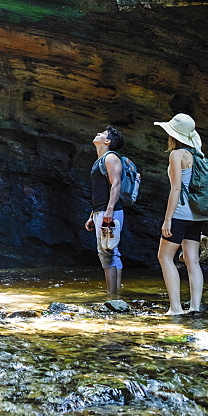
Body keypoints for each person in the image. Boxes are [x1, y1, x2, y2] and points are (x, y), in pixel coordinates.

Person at [153, 113, 208, 315]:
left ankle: (175, 308)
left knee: (164, 257)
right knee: (192, 260)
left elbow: (176, 189)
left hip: (181, 214)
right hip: (197, 215)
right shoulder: (197, 154)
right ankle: (194, 308)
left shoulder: (176, 155)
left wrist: (167, 219)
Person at [84, 126, 124, 296]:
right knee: (112, 252)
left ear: (107, 142)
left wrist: (109, 211)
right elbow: (102, 190)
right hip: (102, 211)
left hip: (110, 211)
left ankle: (111, 296)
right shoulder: (100, 160)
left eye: (102, 134)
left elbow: (116, 184)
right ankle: (116, 294)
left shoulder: (111, 158)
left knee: (107, 254)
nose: (97, 134)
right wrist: (92, 215)